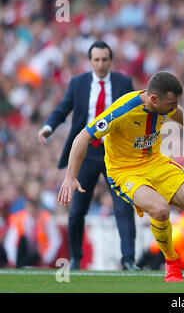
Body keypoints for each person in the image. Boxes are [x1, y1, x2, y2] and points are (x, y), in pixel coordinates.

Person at [57, 71, 184, 282]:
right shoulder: (122, 111)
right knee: (160, 209)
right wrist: (70, 177)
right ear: (154, 99)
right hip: (125, 171)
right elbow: (83, 136)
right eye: (171, 104)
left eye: (176, 103)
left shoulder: (164, 105)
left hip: (155, 162)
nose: (174, 107)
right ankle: (172, 263)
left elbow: (174, 111)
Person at [38, 41, 138, 270]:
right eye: (96, 59)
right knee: (77, 210)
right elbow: (63, 109)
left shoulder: (123, 82)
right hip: (86, 153)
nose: (101, 64)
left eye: (104, 59)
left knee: (123, 206)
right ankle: (75, 258)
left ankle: (128, 259)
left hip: (115, 153)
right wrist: (48, 127)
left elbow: (134, 113)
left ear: (111, 61)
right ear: (90, 60)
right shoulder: (78, 83)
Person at [4, 199, 62, 268]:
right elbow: (10, 241)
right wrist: (13, 259)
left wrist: (47, 258)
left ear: (38, 208)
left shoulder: (46, 219)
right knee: (23, 239)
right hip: (22, 255)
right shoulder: (19, 219)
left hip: (40, 255)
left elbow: (55, 240)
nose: (31, 210)